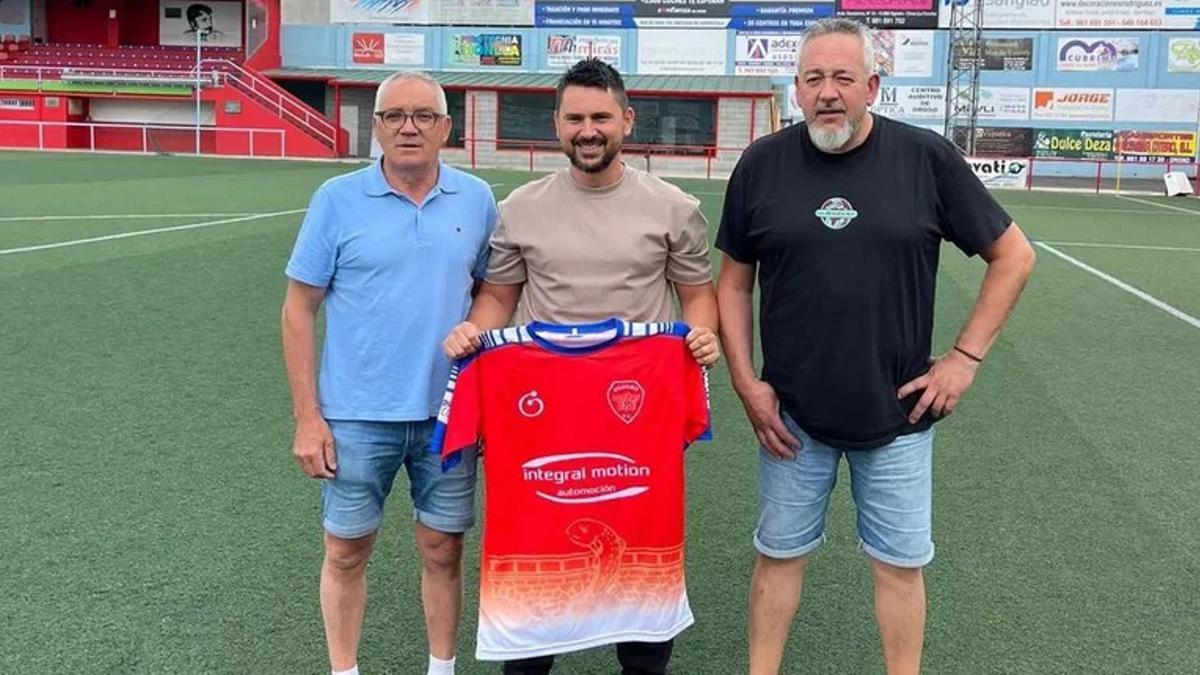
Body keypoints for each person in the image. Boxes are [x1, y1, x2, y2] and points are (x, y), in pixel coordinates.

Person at [715, 18, 1036, 675]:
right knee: (777, 555)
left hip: (899, 416)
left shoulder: (926, 158)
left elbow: (1014, 255)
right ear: (796, 90)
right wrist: (748, 382)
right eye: (813, 79)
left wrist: (964, 358)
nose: (827, 92)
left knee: (899, 565)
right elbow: (732, 281)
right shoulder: (761, 164)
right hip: (791, 419)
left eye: (842, 77)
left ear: (873, 85)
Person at [443, 58, 720, 674]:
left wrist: (704, 336)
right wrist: (473, 331)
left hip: (636, 412)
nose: (587, 130)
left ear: (627, 119)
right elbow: (497, 299)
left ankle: (643, 663)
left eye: (600, 117)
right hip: (541, 415)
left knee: (639, 541)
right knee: (536, 544)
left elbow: (699, 294)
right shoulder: (522, 207)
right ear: (557, 125)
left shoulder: (673, 207)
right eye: (575, 118)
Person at [281, 71, 496, 675]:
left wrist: (475, 328)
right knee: (346, 551)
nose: (408, 126)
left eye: (424, 115)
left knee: (443, 547)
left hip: (447, 415)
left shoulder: (477, 200)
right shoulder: (335, 200)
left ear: (446, 129)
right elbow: (298, 308)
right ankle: (344, 670)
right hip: (354, 415)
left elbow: (494, 291)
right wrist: (308, 417)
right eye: (394, 115)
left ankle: (442, 668)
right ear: (375, 126)